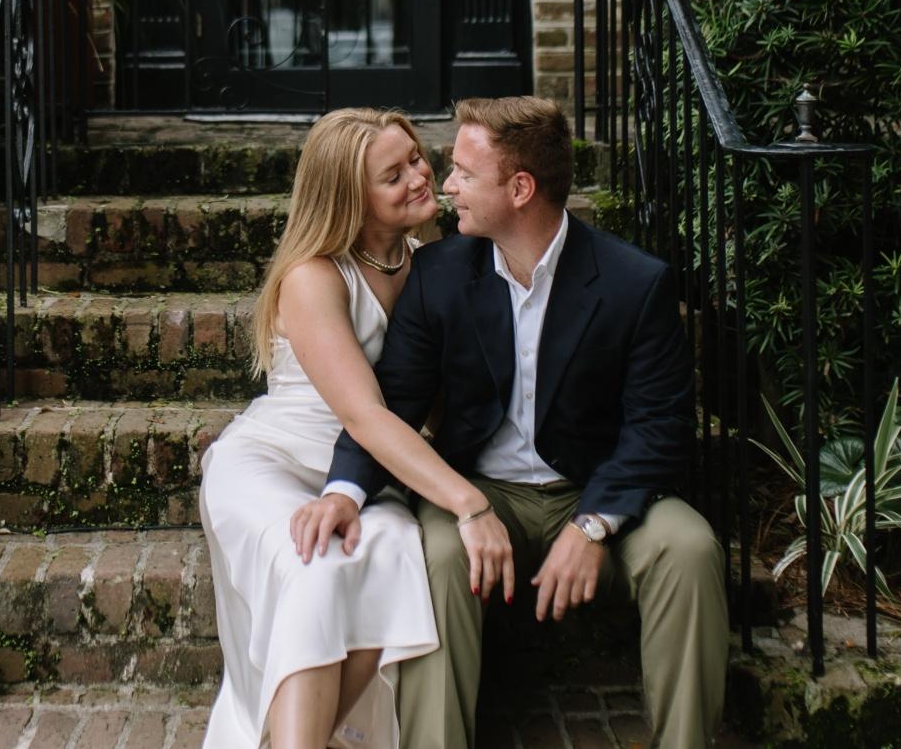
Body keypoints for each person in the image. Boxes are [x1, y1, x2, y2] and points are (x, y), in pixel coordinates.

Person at [294, 96, 729, 749]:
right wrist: (344, 490)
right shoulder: (438, 275)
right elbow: (393, 401)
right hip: (485, 491)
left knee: (690, 548)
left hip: (595, 489)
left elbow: (660, 429)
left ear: (520, 189)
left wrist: (594, 524)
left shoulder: (634, 283)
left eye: (465, 174)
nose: (446, 186)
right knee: (436, 554)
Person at [200, 107, 517, 749]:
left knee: (398, 554)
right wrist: (469, 503)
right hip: (278, 462)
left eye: (416, 159)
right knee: (313, 569)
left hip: (370, 475)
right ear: (351, 198)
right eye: (393, 176)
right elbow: (364, 414)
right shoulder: (314, 275)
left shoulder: (430, 265)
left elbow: (435, 402)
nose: (420, 177)